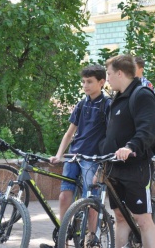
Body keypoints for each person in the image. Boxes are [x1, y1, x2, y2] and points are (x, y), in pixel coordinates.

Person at [40, 65, 111, 248]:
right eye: (84, 82)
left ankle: (91, 238)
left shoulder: (107, 104)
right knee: (64, 196)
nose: (85, 85)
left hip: (92, 158)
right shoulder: (82, 104)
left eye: (90, 82)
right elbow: (69, 133)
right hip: (74, 156)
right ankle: (62, 238)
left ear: (101, 83)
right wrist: (59, 155)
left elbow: (112, 135)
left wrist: (104, 160)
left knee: (91, 201)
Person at [102, 54, 155, 248]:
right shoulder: (116, 98)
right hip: (115, 167)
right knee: (120, 216)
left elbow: (147, 129)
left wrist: (130, 147)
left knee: (143, 219)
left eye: (109, 74)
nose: (107, 79)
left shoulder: (142, 94)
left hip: (136, 167)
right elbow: (111, 134)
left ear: (120, 73)